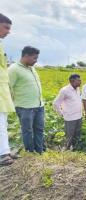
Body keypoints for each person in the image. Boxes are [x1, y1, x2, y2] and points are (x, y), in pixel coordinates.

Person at [8, 46, 45, 154]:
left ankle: (39, 151)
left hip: (39, 106)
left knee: (39, 130)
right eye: (34, 58)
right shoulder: (13, 69)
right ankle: (30, 153)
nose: (36, 61)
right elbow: (8, 88)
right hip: (25, 107)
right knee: (27, 131)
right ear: (26, 56)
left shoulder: (32, 68)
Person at [0, 13, 15, 166]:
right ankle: (3, 153)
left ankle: (5, 151)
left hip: (2, 90)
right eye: (5, 27)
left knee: (2, 122)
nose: (8, 31)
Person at [53, 74, 82, 150]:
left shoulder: (78, 89)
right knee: (70, 136)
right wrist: (61, 113)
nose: (80, 81)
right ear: (72, 81)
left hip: (79, 116)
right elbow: (56, 103)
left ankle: (75, 150)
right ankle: (67, 150)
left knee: (77, 135)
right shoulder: (65, 90)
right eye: (78, 80)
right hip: (70, 118)